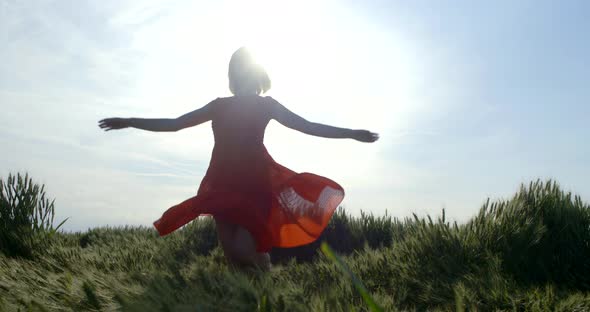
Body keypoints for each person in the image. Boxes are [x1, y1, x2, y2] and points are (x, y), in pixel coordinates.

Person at [99, 47, 379, 270]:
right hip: (221, 183)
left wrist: (351, 133)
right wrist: (130, 121)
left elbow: (307, 126)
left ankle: (266, 279)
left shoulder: (267, 105)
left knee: (247, 251)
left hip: (257, 185)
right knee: (233, 256)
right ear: (234, 75)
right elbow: (176, 123)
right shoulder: (219, 106)